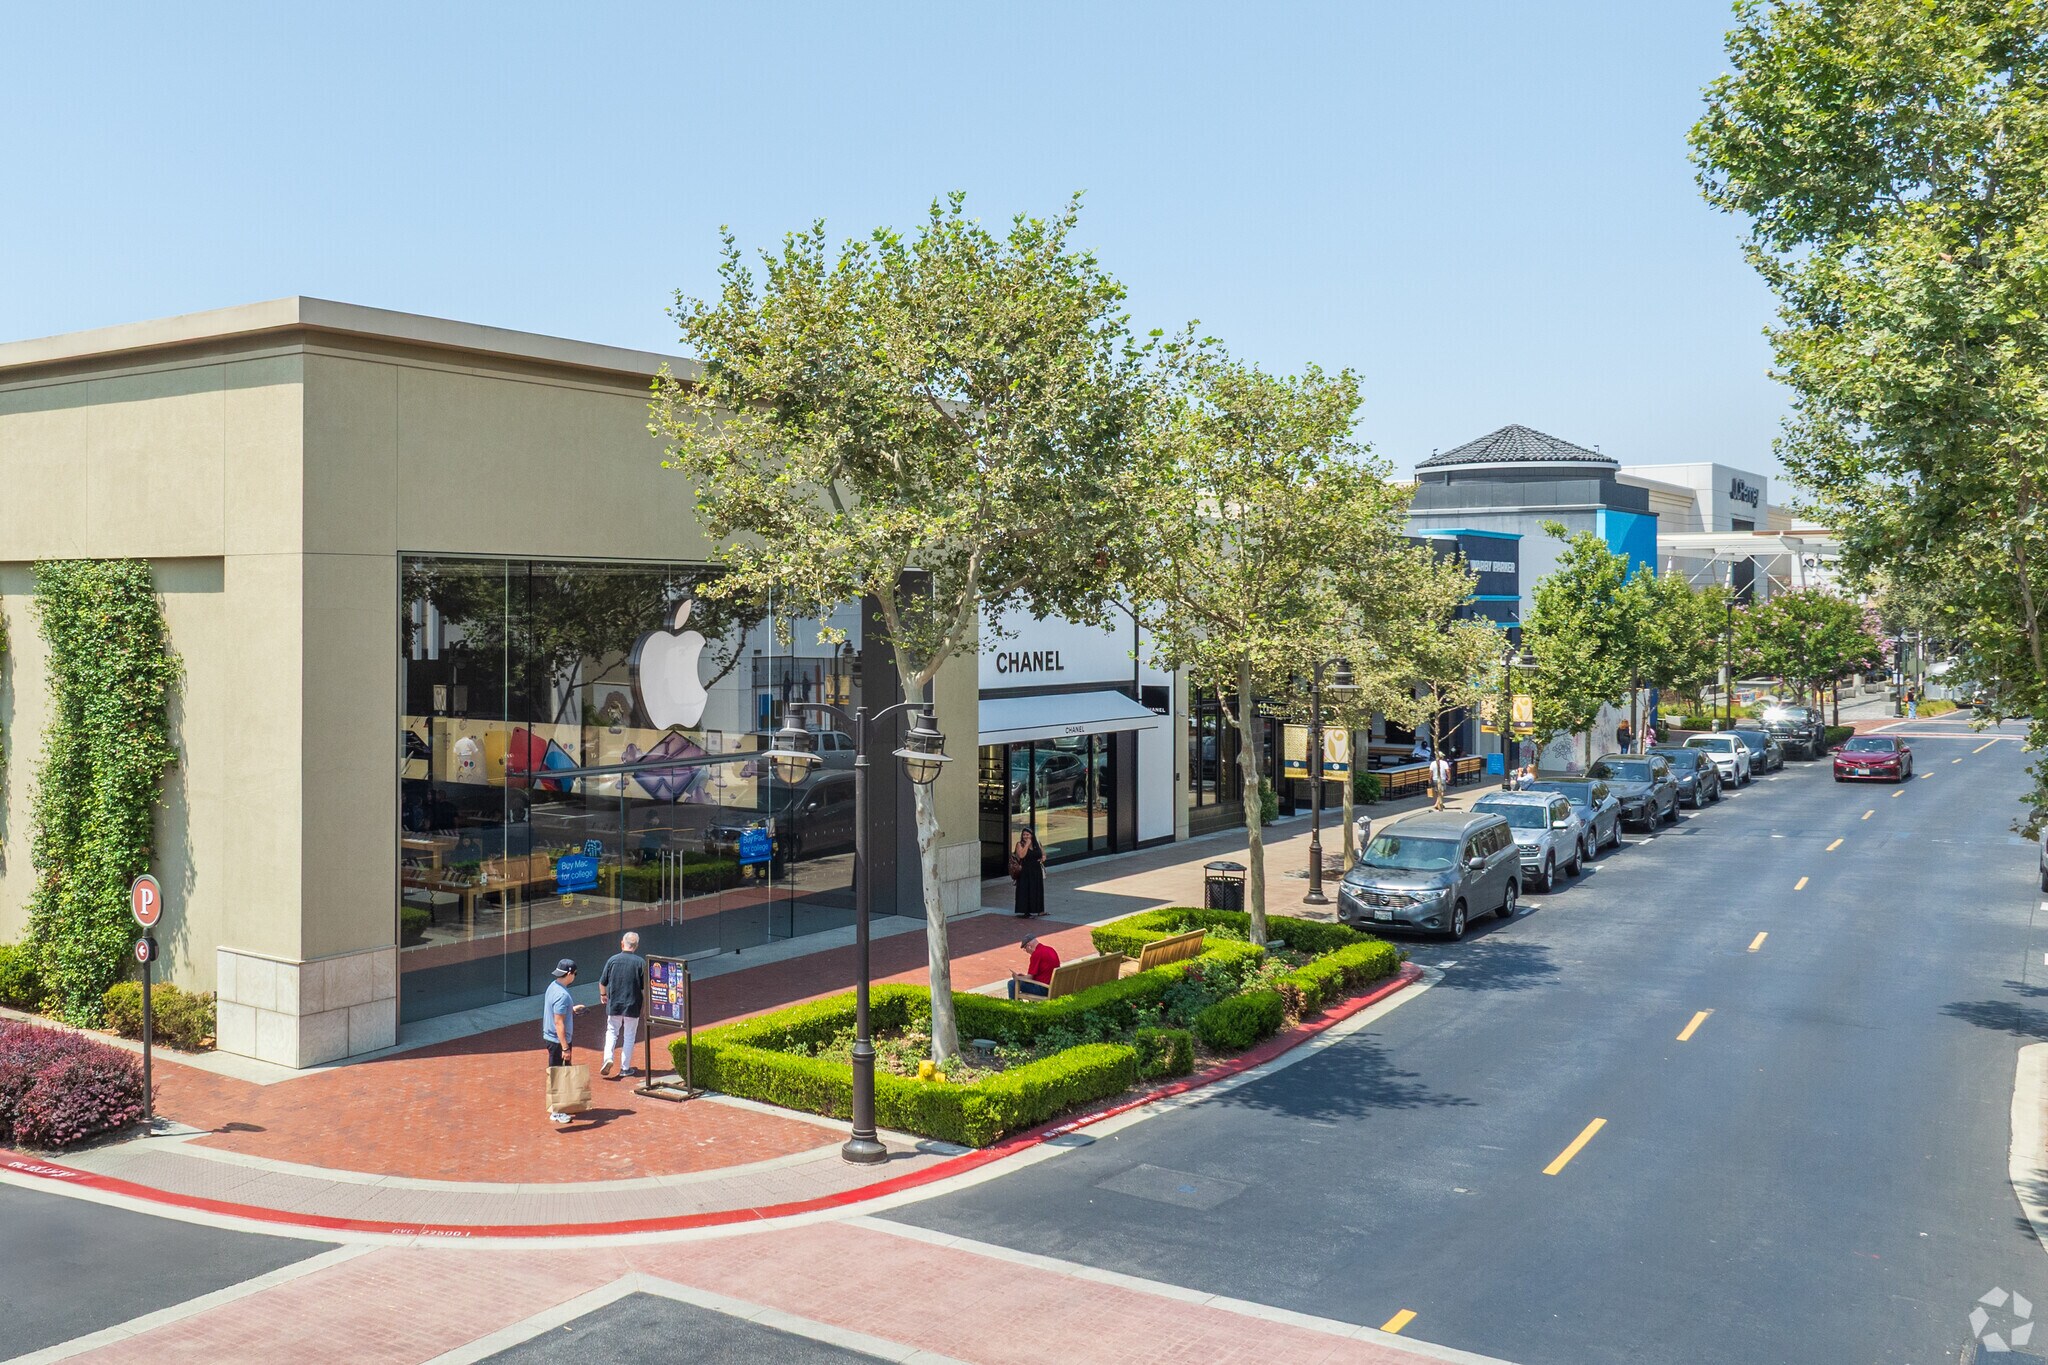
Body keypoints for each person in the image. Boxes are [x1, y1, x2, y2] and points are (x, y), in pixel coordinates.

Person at [598, 932, 647, 1081]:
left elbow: (602, 982)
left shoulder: (612, 960)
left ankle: (608, 1058)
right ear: (636, 946)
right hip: (633, 1004)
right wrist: (644, 1005)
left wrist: (603, 995)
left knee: (611, 1031)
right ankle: (625, 1068)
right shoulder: (640, 963)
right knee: (629, 1035)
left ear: (622, 943)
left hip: (615, 1003)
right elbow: (644, 988)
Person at [543, 959, 578, 1124]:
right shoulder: (563, 995)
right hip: (558, 1041)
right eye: (575, 974)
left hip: (551, 1038)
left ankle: (559, 1107)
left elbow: (557, 1012)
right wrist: (565, 1047)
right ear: (569, 973)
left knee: (558, 1074)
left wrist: (572, 1010)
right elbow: (559, 1022)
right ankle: (556, 1111)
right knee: (559, 1076)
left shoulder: (553, 986)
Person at [1008, 935, 1061, 999]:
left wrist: (1017, 978)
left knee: (1012, 983)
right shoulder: (1050, 949)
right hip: (1053, 987)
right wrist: (1023, 977)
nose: (1026, 951)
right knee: (1019, 981)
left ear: (1029, 946)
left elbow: (1029, 978)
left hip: (1043, 989)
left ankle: (1015, 1006)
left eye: (1025, 948)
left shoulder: (1036, 954)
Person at [1012, 827, 1046, 918]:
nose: (1025, 836)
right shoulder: (1020, 844)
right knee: (1026, 890)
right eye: (1024, 835)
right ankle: (1026, 912)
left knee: (1037, 889)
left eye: (1027, 835)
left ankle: (1040, 910)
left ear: (1032, 835)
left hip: (1036, 869)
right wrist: (1027, 845)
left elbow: (1043, 853)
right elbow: (1021, 855)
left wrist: (1043, 857)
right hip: (1025, 871)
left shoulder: (1037, 843)